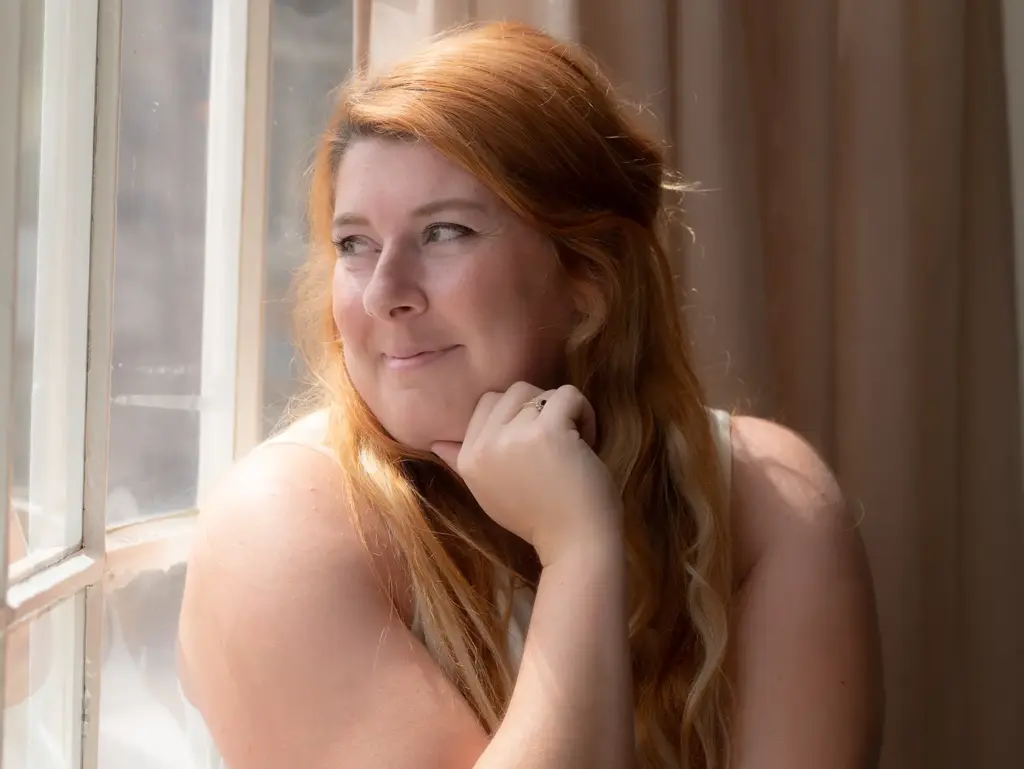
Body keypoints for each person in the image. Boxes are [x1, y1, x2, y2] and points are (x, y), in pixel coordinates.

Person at [177, 21, 884, 769]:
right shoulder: (279, 526)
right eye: (355, 244)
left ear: (587, 279)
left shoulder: (767, 499)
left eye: (444, 232)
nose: (384, 292)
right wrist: (578, 550)